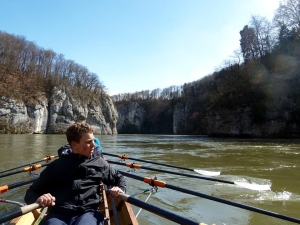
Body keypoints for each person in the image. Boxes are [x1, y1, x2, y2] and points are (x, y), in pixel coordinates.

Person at [24, 123, 125, 225]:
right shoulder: (55, 166)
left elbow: (118, 178)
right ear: (74, 145)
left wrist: (119, 188)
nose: (94, 145)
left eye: (93, 140)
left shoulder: (99, 162)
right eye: (88, 142)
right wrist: (39, 198)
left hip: (88, 213)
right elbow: (30, 193)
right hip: (59, 214)